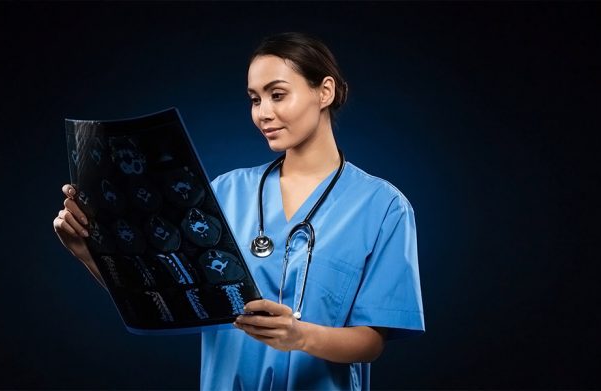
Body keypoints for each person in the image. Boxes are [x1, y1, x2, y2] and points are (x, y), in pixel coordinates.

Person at [53, 31, 425, 390]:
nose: (263, 113)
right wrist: (90, 255)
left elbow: (372, 341)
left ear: (324, 91)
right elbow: (166, 300)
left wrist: (301, 336)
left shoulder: (384, 207)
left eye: (278, 95)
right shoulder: (224, 192)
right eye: (254, 99)